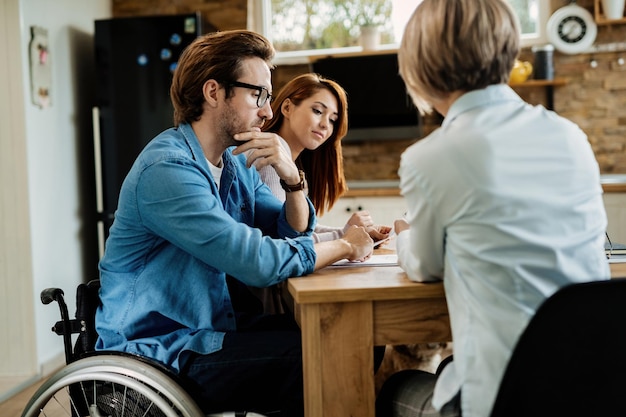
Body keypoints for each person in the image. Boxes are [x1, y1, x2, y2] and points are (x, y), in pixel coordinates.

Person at [94, 30, 373, 417]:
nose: (267, 112)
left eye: (268, 97)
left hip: (210, 329)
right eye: (257, 94)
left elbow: (288, 230)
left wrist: (292, 178)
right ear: (214, 92)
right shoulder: (168, 170)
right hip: (159, 353)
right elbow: (258, 263)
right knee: (321, 355)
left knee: (337, 338)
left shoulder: (235, 163)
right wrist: (344, 244)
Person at [376, 1, 610, 416]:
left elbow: (426, 266)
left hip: (505, 399)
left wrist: (404, 233)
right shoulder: (569, 134)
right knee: (450, 365)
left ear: (421, 65)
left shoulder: (430, 156)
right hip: (594, 384)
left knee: (394, 385)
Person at [250, 72, 391, 313]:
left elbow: (299, 231)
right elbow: (285, 243)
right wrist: (345, 238)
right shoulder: (272, 155)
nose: (326, 125)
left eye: (333, 119)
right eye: (318, 111)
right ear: (286, 107)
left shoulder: (293, 168)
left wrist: (349, 233)